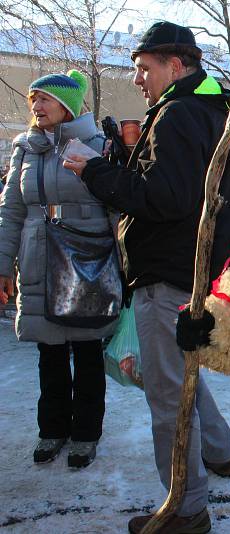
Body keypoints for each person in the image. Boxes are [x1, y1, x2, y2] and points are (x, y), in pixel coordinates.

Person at [62, 22, 230, 533]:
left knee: (168, 397)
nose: (138, 78)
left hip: (167, 274)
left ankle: (185, 511)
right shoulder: (206, 110)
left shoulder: (179, 114)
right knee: (184, 377)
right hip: (190, 270)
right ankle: (220, 455)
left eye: (145, 68)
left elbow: (162, 199)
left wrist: (94, 170)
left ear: (176, 66)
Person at [0, 70, 114, 468]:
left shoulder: (99, 145)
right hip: (37, 258)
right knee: (49, 352)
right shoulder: (25, 148)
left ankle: (85, 434)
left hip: (86, 261)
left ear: (67, 106)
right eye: (34, 99)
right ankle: (51, 430)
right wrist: (2, 263)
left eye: (45, 99)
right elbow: (11, 209)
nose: (36, 106)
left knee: (86, 353)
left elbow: (116, 209)